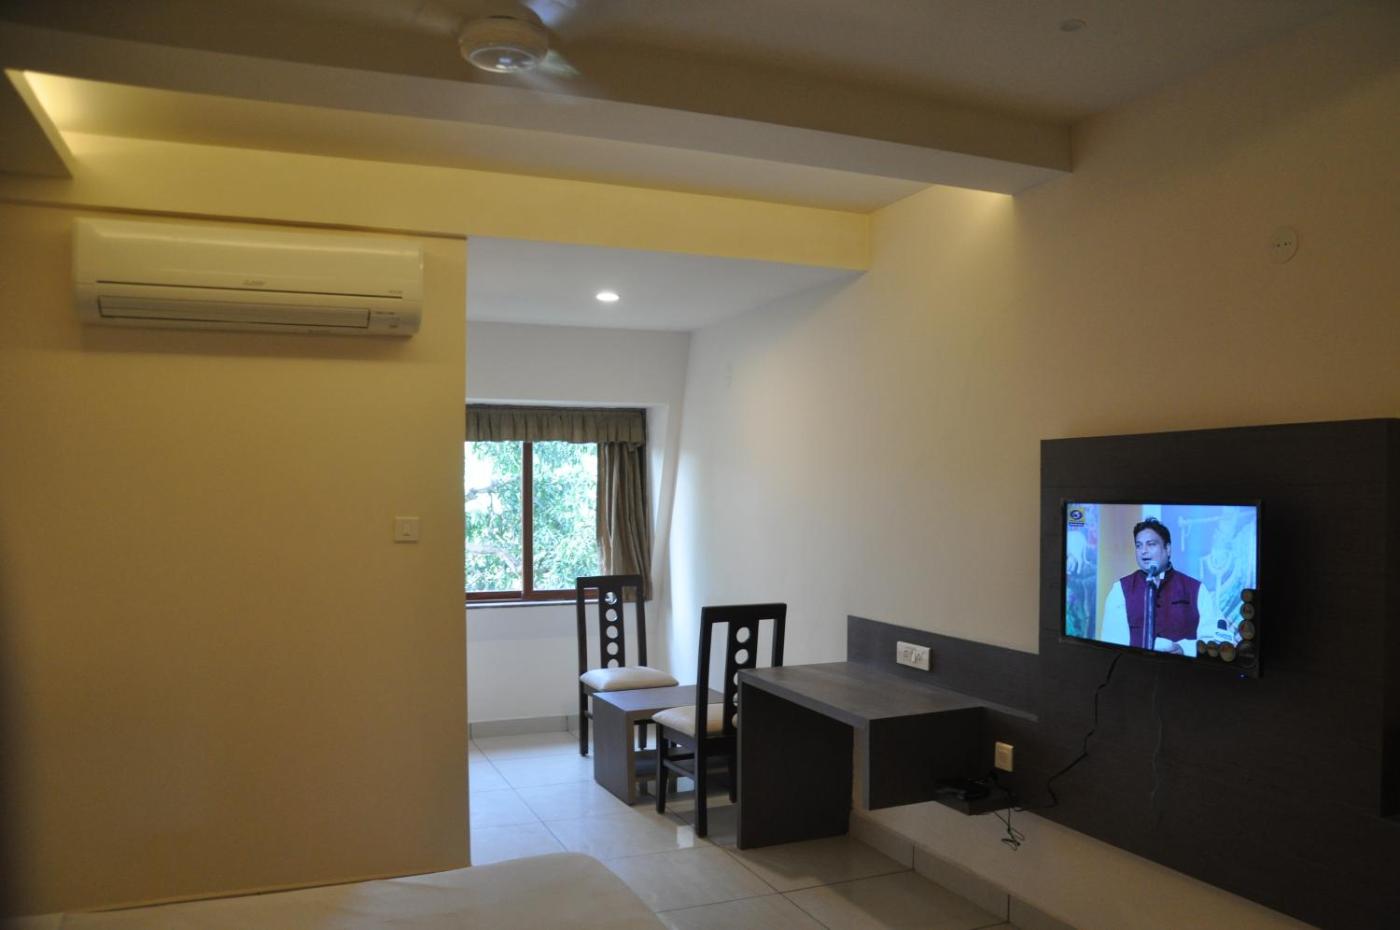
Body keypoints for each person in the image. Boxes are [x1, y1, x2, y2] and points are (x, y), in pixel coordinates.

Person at [1101, 517, 1213, 654]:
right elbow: (1111, 643)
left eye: (1151, 544)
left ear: (1168, 549)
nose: (1143, 551)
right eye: (1139, 545)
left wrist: (1184, 649)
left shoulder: (1196, 589)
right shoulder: (1120, 589)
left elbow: (1212, 640)